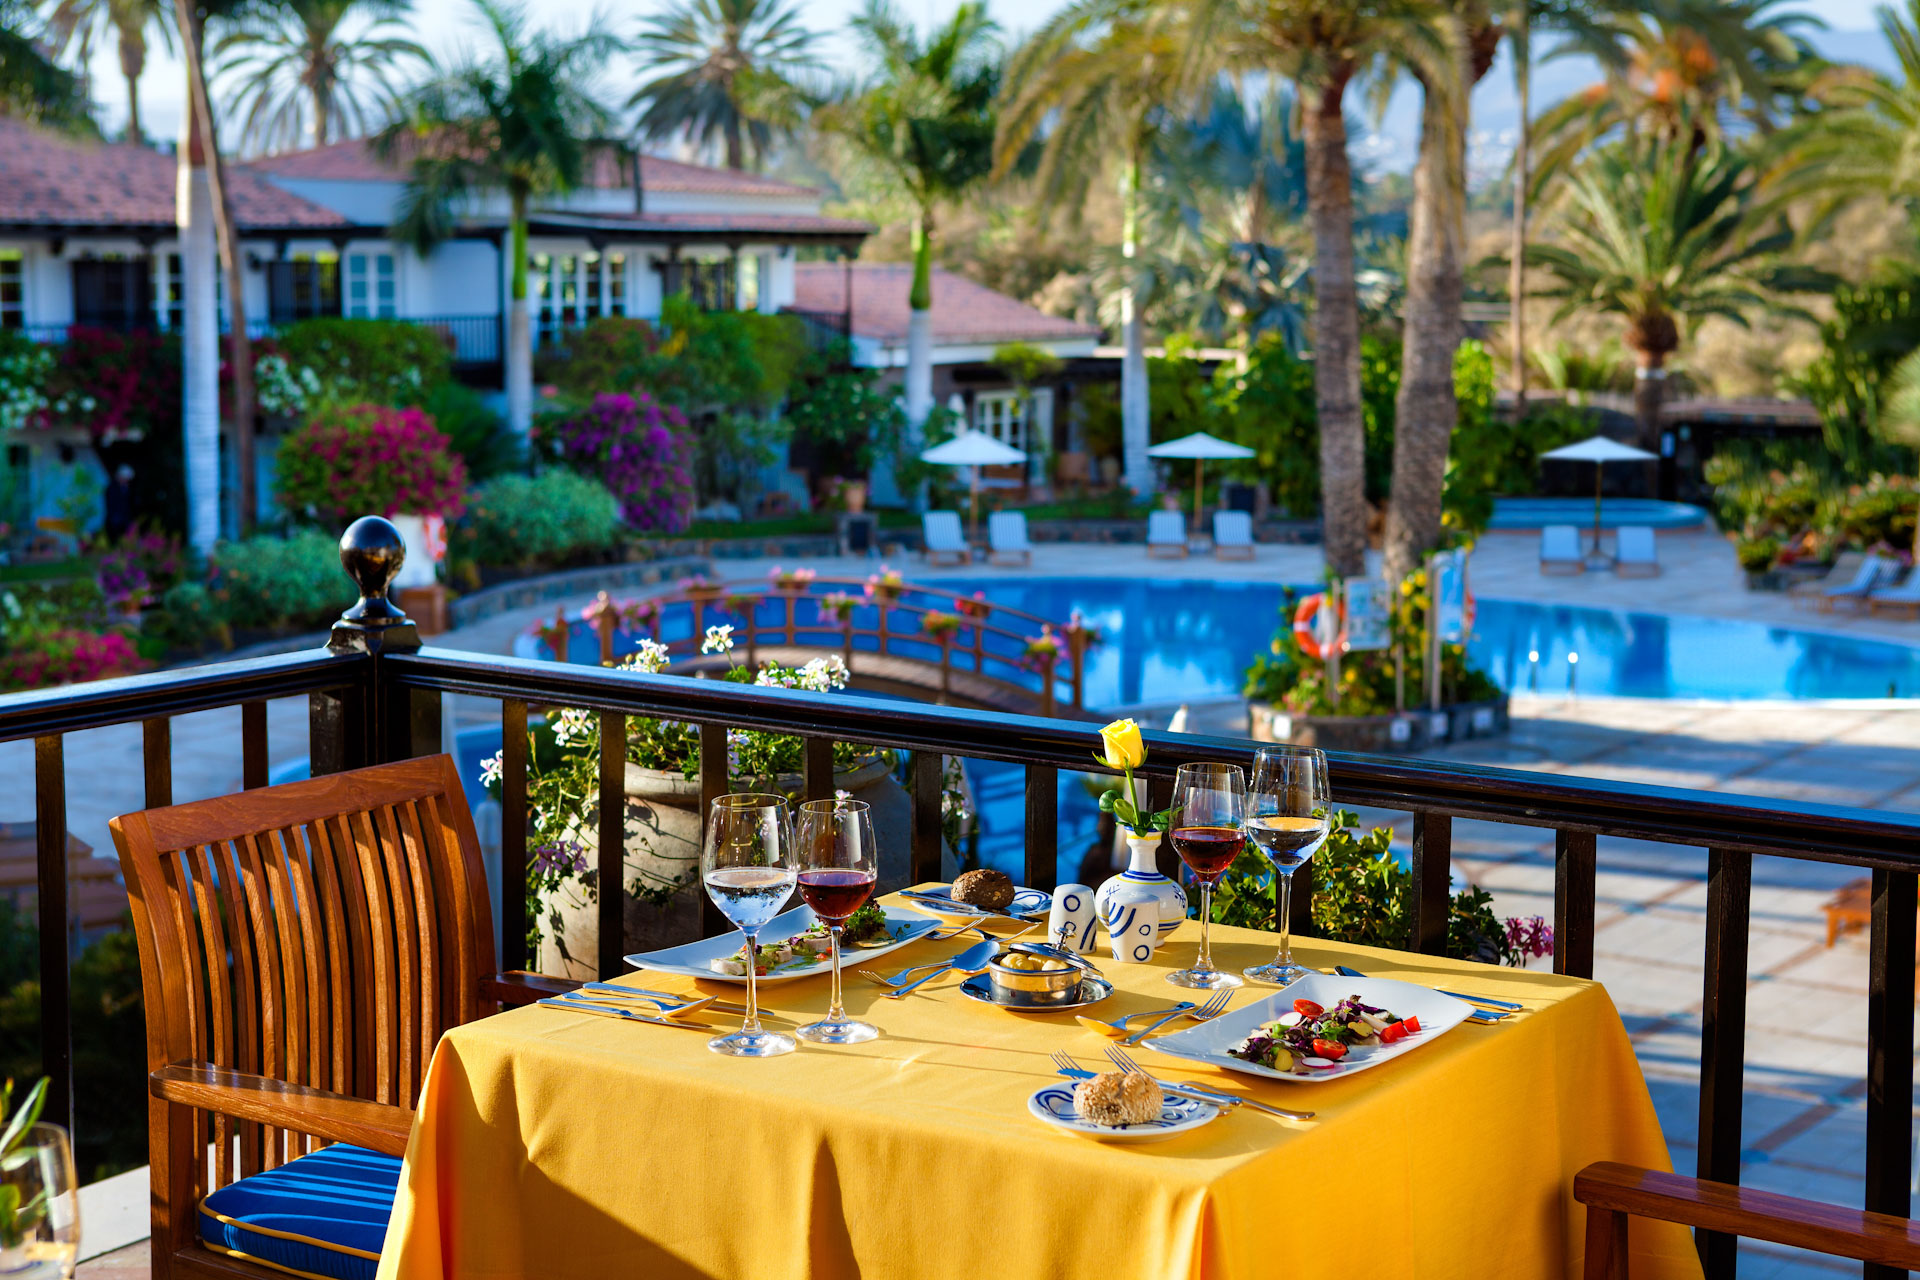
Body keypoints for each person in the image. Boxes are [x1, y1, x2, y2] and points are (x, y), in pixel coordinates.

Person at [103, 464, 135, 541]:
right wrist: (114, 517)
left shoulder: (127, 488)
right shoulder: (112, 488)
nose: (126, 480)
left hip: (125, 519)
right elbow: (110, 504)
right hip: (114, 519)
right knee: (114, 539)